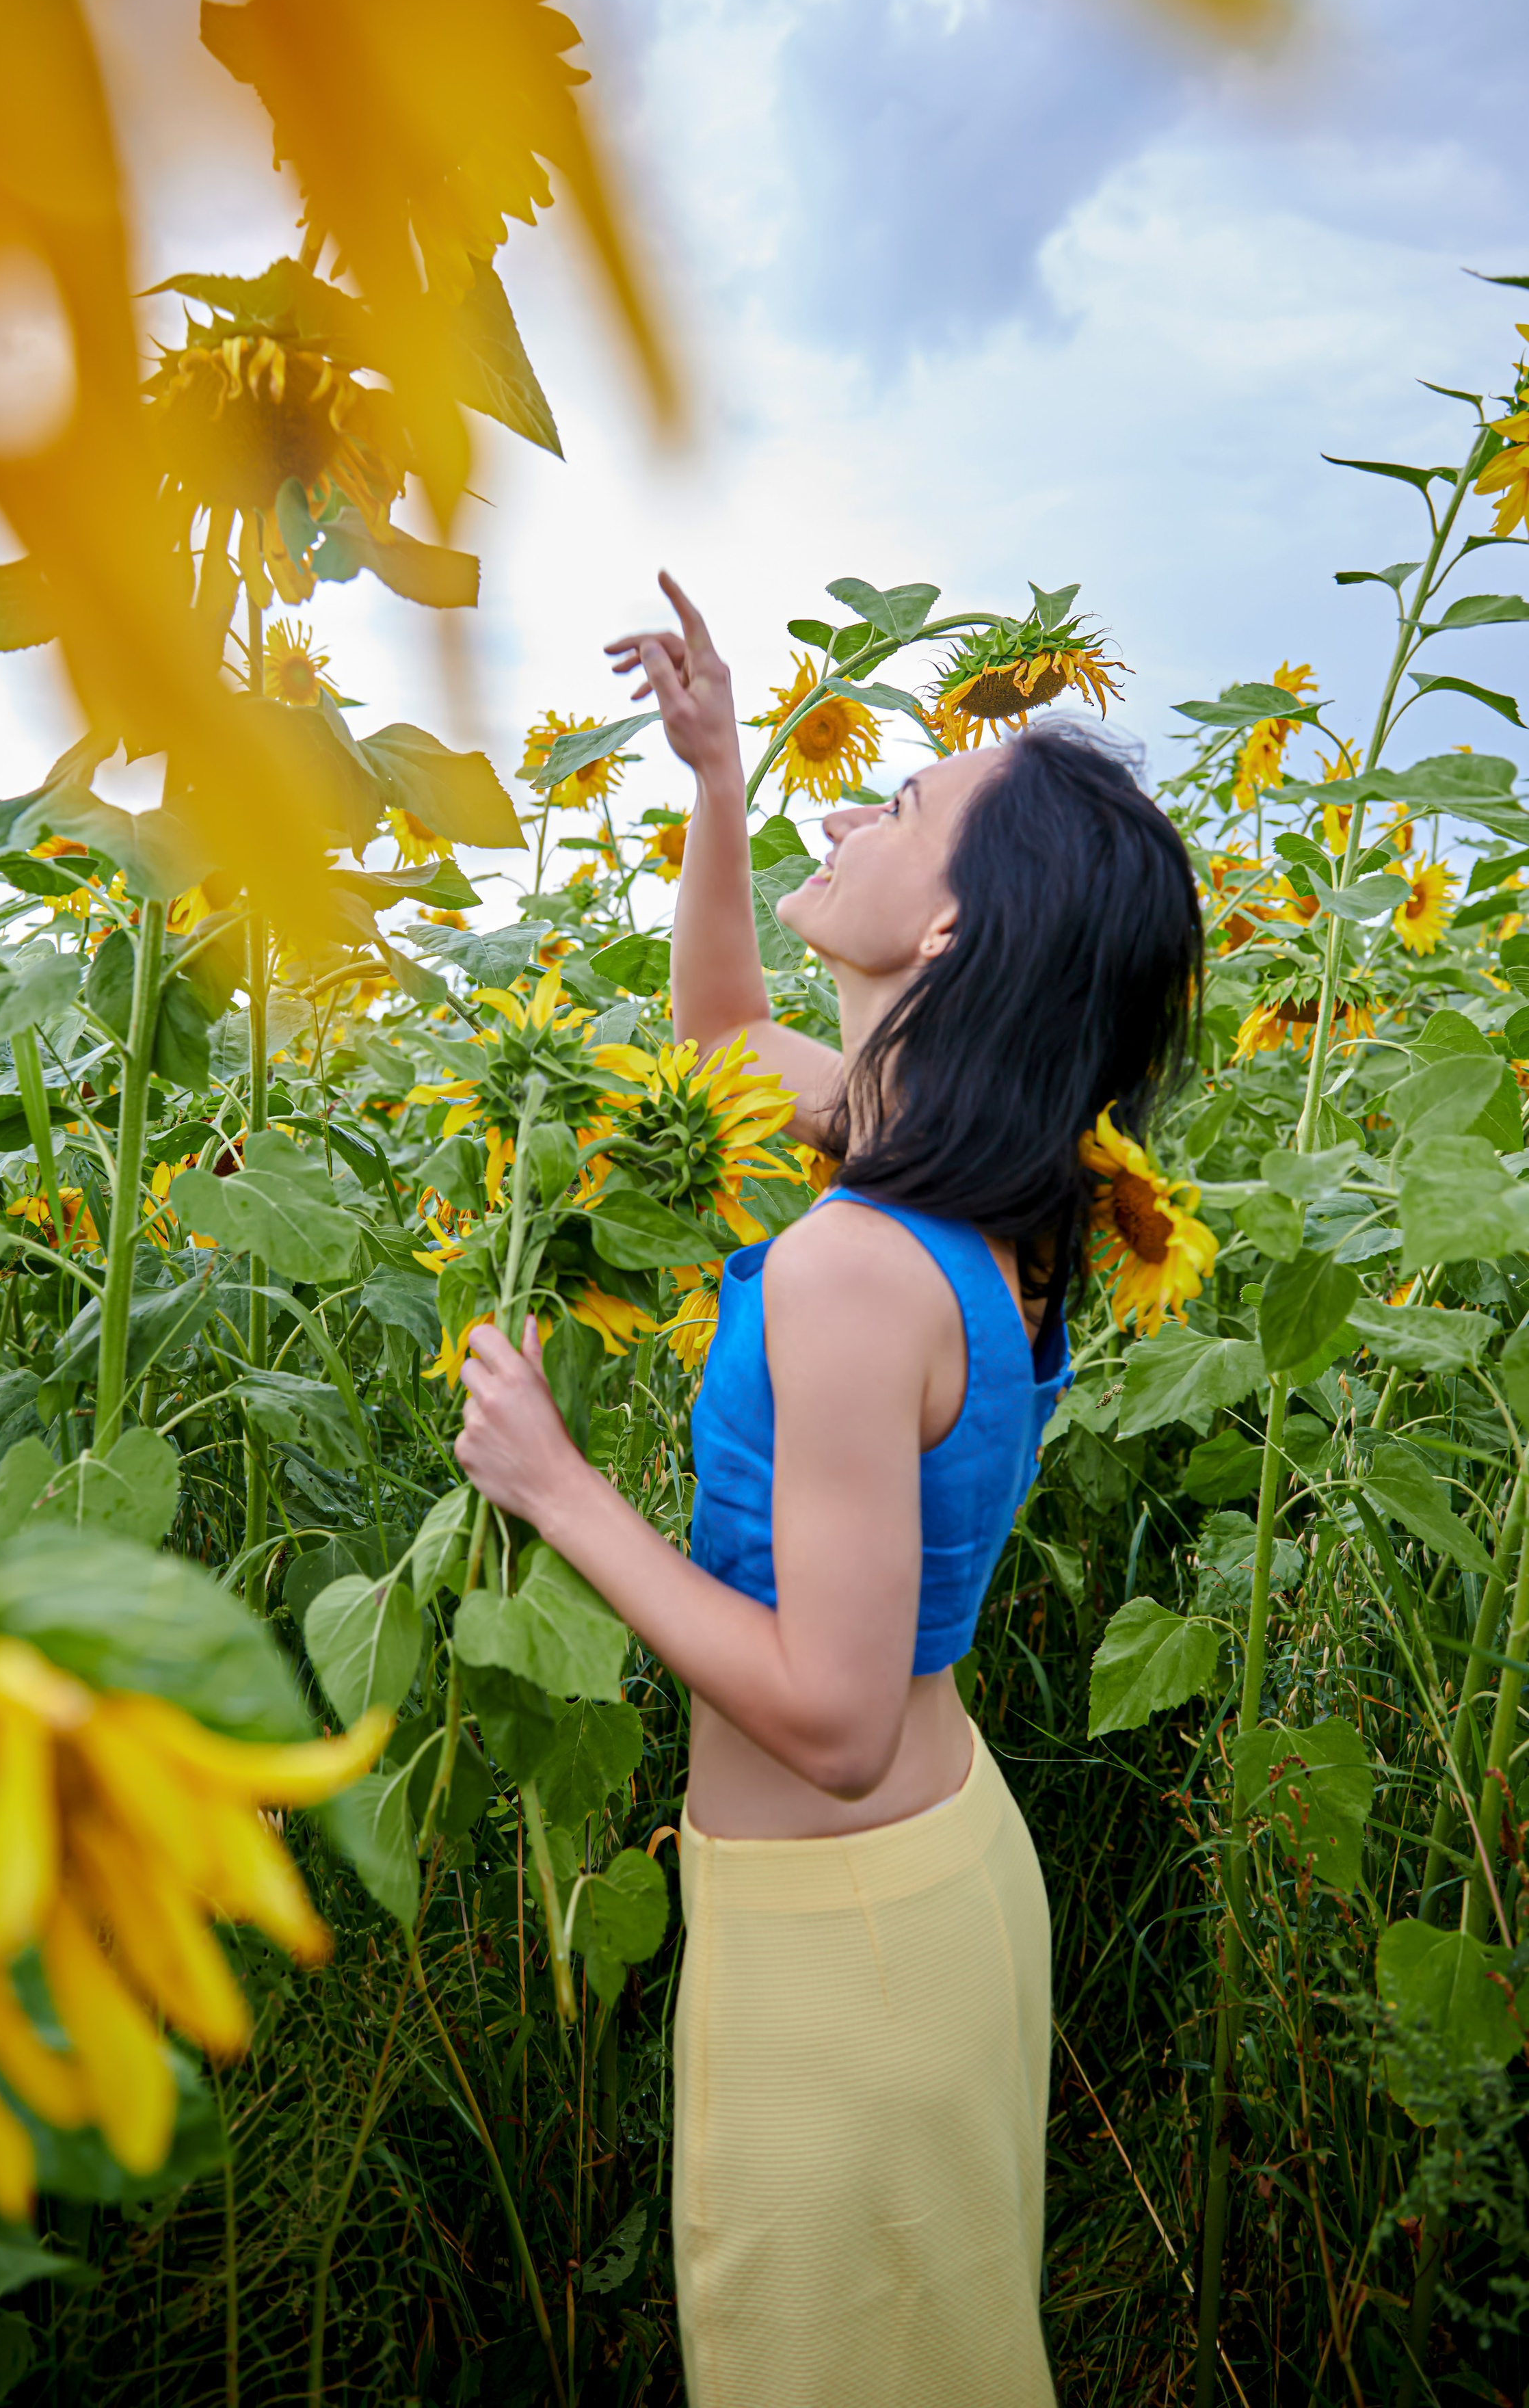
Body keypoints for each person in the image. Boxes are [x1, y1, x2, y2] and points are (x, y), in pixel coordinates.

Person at [455, 573, 1204, 2407]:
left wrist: (563, 1493)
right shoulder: (967, 1179)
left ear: (950, 922)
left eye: (906, 805)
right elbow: (720, 1042)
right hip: (916, 1887)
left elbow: (835, 1719)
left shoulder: (858, 1269)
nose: (854, 803)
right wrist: (711, 780)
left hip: (848, 1924)